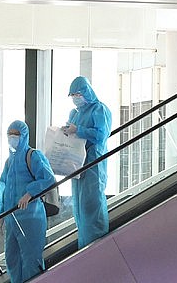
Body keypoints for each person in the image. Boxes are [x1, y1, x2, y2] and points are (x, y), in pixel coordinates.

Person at [0, 120, 55, 283]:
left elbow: (48, 178)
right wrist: (0, 214)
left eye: (16, 134)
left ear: (24, 135)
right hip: (12, 218)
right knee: (12, 259)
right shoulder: (10, 161)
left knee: (31, 259)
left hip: (31, 218)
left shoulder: (33, 155)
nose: (12, 138)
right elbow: (3, 187)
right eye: (10, 134)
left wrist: (29, 193)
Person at [61, 76, 112, 248]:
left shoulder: (99, 110)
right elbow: (72, 133)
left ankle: (97, 248)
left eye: (78, 94)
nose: (75, 98)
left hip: (93, 163)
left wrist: (79, 130)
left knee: (93, 205)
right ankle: (84, 248)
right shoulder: (75, 114)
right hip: (77, 165)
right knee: (80, 209)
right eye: (72, 95)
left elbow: (101, 135)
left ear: (86, 92)